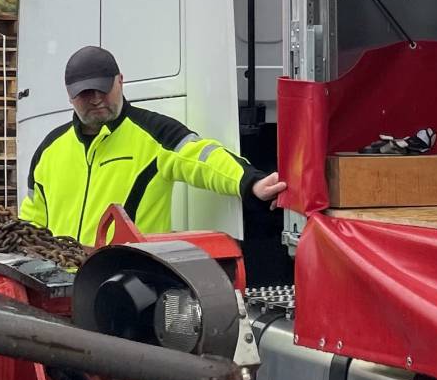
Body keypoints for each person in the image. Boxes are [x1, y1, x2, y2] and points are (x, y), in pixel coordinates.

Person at [19, 44, 287, 244]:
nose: (97, 99)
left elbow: (204, 158)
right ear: (70, 96)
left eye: (104, 88)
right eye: (86, 93)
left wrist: (250, 182)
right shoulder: (50, 149)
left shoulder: (154, 132)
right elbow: (32, 222)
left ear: (120, 81)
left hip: (132, 281)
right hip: (60, 288)